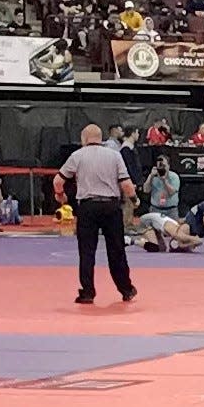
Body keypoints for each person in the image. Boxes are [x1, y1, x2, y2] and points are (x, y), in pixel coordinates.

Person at [53, 124, 138, 305]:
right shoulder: (114, 155)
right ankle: (126, 289)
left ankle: (87, 292)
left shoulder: (78, 155)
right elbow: (126, 184)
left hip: (87, 207)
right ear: (100, 138)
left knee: (86, 251)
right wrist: (135, 200)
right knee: (117, 250)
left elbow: (58, 180)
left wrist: (60, 195)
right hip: (111, 206)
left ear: (84, 138)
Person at [125, 211, 202, 252]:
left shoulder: (178, 231)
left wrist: (192, 242)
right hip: (145, 222)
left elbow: (181, 245)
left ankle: (137, 239)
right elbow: (194, 241)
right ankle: (131, 240)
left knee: (163, 249)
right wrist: (195, 240)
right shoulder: (175, 232)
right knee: (155, 247)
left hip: (154, 223)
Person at [143, 153, 180, 219]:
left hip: (171, 211)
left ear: (169, 166)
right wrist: (151, 176)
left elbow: (171, 192)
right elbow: (146, 190)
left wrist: (164, 181)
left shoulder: (174, 177)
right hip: (155, 210)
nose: (162, 168)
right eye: (159, 166)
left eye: (164, 166)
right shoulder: (153, 176)